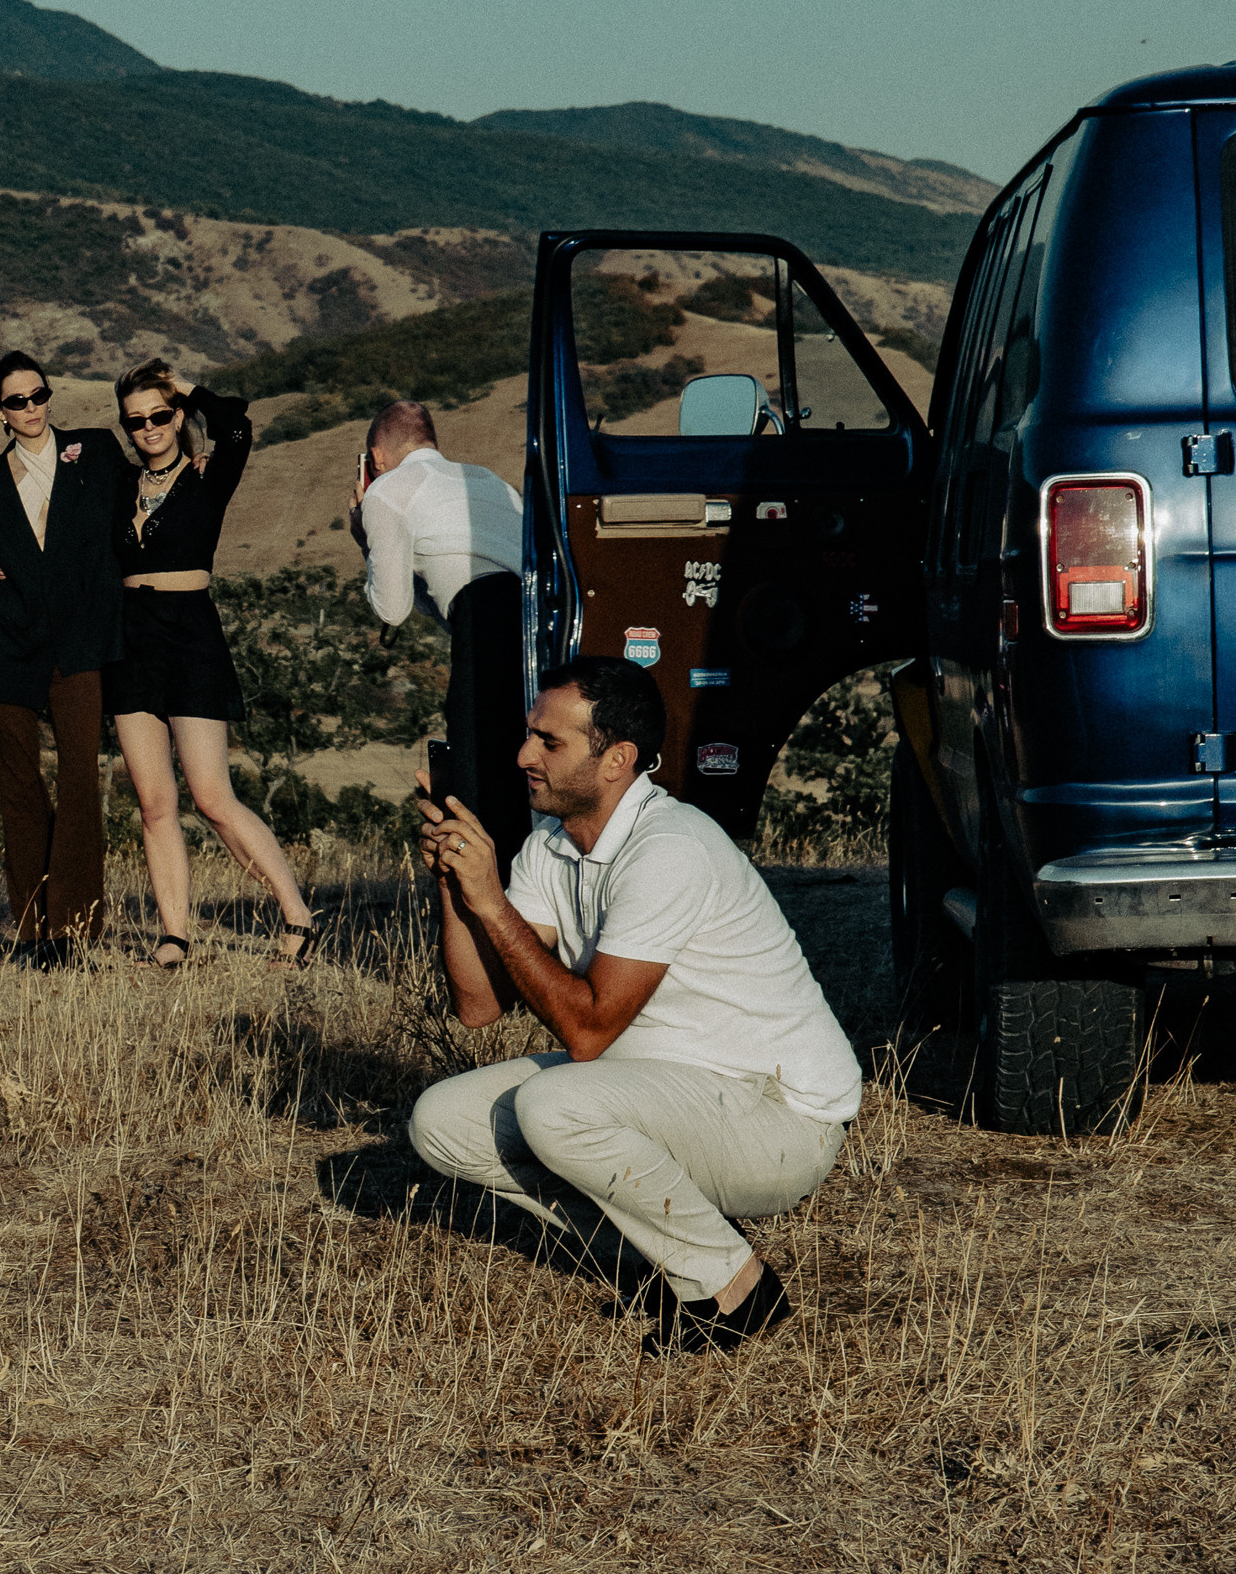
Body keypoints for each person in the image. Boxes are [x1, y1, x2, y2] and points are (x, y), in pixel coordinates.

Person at [408, 654, 859, 1355]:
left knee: (555, 1105)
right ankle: (668, 1254)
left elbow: (587, 1032)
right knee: (441, 1122)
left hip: (779, 1118)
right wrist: (456, 882)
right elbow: (478, 1007)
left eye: (549, 742)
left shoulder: (669, 846)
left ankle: (736, 1287)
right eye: (530, 733)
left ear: (616, 758)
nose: (525, 754)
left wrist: (492, 899)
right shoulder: (550, 848)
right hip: (672, 1091)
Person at [102, 359, 319, 969]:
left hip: (190, 636)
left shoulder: (206, 478)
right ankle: (174, 937)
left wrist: (186, 386)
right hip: (130, 641)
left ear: (176, 417)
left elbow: (237, 426)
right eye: (136, 419)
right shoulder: (119, 484)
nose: (149, 427)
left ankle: (297, 915)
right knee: (153, 803)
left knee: (212, 797)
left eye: (160, 414)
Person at [0, 350, 126, 960]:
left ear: (50, 395)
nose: (31, 408)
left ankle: (70, 930)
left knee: (81, 775)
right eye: (16, 401)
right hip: (5, 650)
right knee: (19, 784)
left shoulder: (95, 452)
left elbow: (137, 504)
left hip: (79, 644)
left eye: (39, 394)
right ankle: (29, 929)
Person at [350, 398, 527, 863]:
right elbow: (452, 587)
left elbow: (392, 608)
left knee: (477, 782)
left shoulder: (386, 492)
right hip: (532, 623)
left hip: (482, 626)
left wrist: (363, 536)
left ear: (375, 456)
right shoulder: (490, 481)